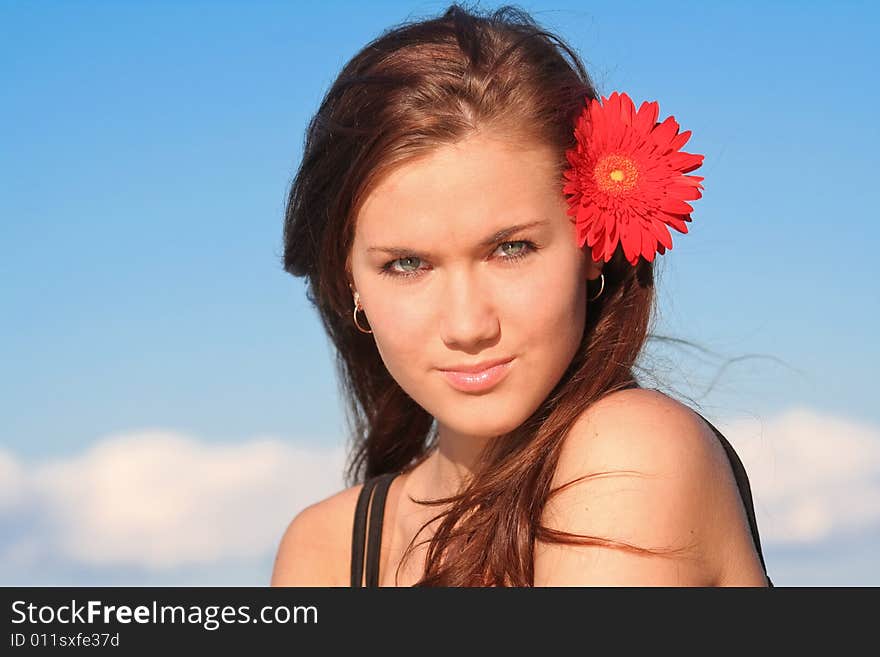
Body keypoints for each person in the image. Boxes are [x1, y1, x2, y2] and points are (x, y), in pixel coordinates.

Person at [270, 3, 772, 587]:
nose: (467, 324)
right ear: (349, 279)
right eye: (407, 264)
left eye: (510, 249)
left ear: (591, 245)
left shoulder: (632, 456)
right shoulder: (324, 546)